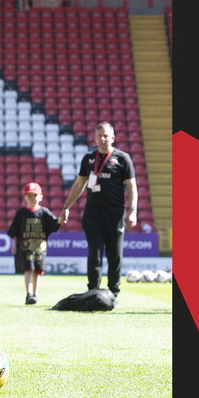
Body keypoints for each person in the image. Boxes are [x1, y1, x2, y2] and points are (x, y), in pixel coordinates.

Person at [58, 121, 138, 297]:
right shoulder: (88, 158)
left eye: (106, 136)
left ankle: (114, 292)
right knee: (95, 253)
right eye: (99, 136)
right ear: (94, 138)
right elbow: (79, 184)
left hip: (115, 213)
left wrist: (133, 210)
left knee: (114, 254)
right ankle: (93, 290)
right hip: (93, 213)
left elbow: (132, 186)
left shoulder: (123, 158)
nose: (103, 139)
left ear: (113, 138)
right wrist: (66, 207)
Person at [7, 181, 60, 305]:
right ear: (25, 197)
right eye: (29, 195)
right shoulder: (21, 213)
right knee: (28, 270)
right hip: (25, 247)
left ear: (40, 197)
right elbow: (15, 231)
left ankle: (35, 294)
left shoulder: (44, 212)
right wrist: (14, 245)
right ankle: (28, 294)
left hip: (39, 247)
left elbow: (54, 223)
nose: (32, 198)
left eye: (34, 195)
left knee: (37, 271)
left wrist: (62, 218)